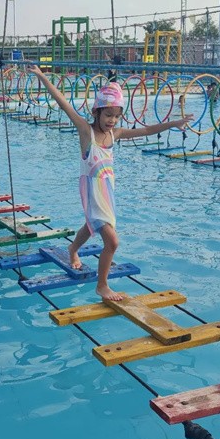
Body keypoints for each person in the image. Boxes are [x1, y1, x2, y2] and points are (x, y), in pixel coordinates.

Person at [27, 64, 193, 301]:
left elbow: (147, 130)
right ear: (96, 112)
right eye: (108, 115)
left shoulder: (116, 134)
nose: (112, 120)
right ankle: (102, 285)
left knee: (91, 225)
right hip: (92, 191)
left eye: (116, 116)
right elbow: (63, 104)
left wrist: (173, 123)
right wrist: (42, 76)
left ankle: (73, 249)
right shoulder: (86, 131)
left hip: (107, 191)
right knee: (112, 242)